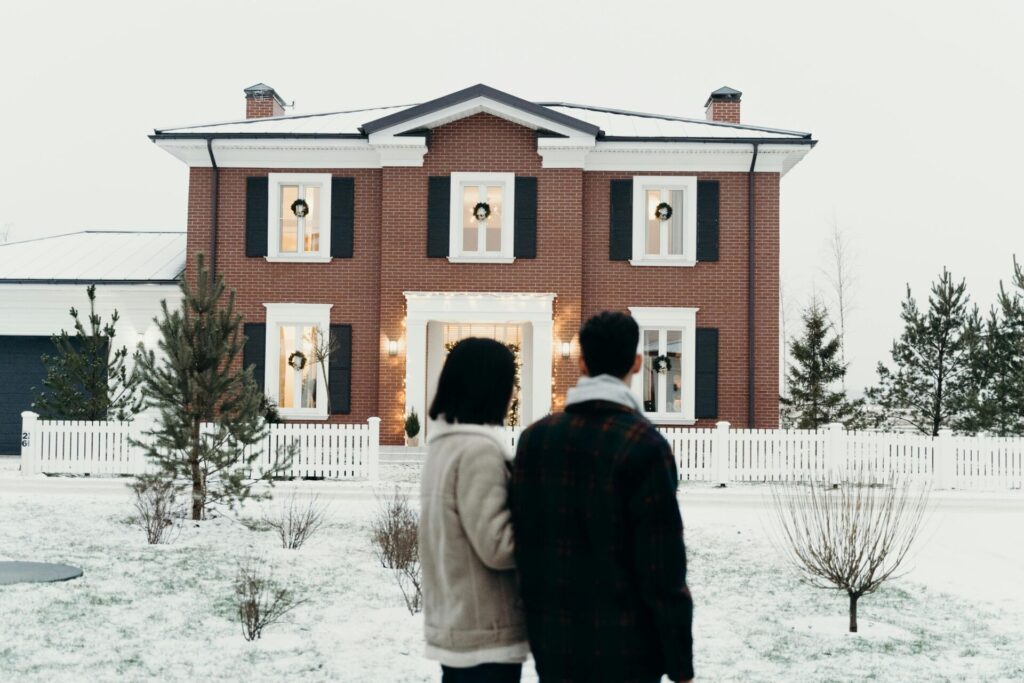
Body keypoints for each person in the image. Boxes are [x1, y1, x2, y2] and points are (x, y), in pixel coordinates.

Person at [511, 311, 695, 683]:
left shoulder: (534, 440)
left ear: (581, 363)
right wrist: (680, 665)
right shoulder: (645, 445)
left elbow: (525, 544)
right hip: (628, 651)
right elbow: (662, 566)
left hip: (553, 643)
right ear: (637, 363)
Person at [419, 337, 529, 683]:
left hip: (456, 621)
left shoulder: (443, 448)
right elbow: (498, 546)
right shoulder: (479, 452)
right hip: (486, 630)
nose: (512, 393)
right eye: (509, 383)